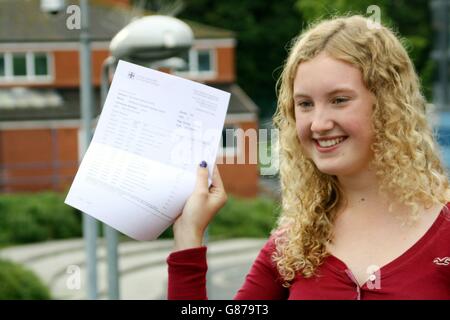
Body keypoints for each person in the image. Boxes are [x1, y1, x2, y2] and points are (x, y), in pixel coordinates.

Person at [166, 14, 450, 300]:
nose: (318, 123)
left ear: (387, 105)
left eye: (339, 100)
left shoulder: (444, 231)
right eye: (305, 104)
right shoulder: (294, 245)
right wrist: (188, 236)